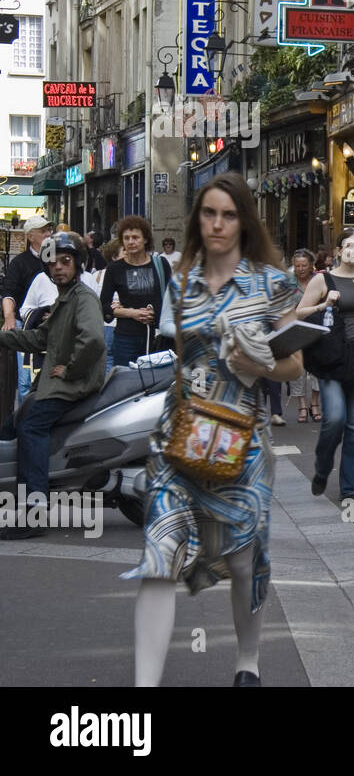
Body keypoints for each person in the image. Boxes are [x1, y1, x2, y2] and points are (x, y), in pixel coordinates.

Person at [124, 172, 304, 686]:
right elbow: (179, 355)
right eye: (209, 213)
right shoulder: (179, 279)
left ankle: (247, 663)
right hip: (177, 439)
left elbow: (293, 367)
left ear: (243, 220)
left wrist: (260, 361)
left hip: (241, 443)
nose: (218, 224)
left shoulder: (272, 283)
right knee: (159, 556)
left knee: (244, 562)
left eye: (228, 214)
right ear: (197, 218)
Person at [0, 232, 107, 538]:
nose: (58, 267)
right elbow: (39, 338)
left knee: (30, 427)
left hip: (72, 385)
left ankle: (34, 513)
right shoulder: (66, 298)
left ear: (77, 264)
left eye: (65, 261)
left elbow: (94, 339)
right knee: (10, 427)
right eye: (53, 263)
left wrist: (71, 370)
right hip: (53, 384)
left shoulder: (83, 298)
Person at [296, 228, 354, 502]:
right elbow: (298, 313)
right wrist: (323, 305)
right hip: (333, 356)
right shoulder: (323, 280)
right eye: (349, 246)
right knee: (335, 417)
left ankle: (349, 487)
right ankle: (322, 467)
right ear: (337, 250)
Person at [100, 216, 172, 367]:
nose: (131, 242)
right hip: (125, 337)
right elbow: (104, 306)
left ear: (145, 239)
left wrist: (157, 315)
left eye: (135, 237)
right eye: (126, 238)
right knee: (126, 382)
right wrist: (132, 313)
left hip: (155, 336)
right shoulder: (115, 269)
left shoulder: (160, 264)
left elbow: (171, 298)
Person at [1, 217, 53, 418]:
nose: (48, 234)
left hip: (57, 324)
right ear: (30, 236)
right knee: (26, 380)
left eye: (49, 230)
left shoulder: (56, 259)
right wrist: (9, 317)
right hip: (29, 325)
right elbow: (9, 293)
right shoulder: (20, 263)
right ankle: (25, 418)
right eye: (43, 231)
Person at [287, 249, 322, 421]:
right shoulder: (288, 283)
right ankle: (301, 405)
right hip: (295, 329)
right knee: (298, 370)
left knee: (318, 367)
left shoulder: (319, 280)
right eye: (297, 266)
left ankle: (314, 402)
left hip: (316, 328)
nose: (300, 269)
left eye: (304, 265)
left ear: (311, 265)